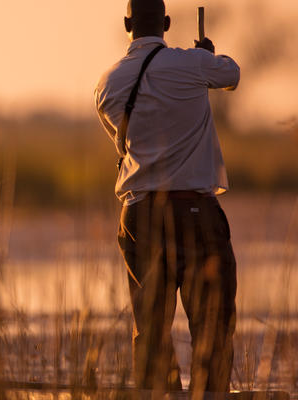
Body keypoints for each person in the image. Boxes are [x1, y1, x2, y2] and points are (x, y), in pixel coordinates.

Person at [94, 0, 240, 393]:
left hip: (139, 215)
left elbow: (123, 144)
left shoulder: (107, 84)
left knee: (152, 327)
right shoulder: (192, 63)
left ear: (127, 24)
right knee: (212, 322)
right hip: (196, 213)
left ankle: (159, 393)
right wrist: (204, 56)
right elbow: (232, 73)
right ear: (167, 23)